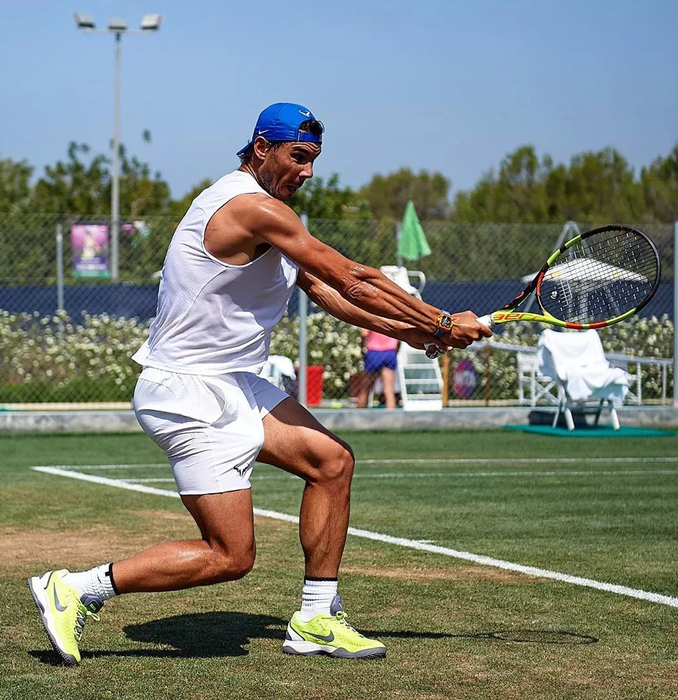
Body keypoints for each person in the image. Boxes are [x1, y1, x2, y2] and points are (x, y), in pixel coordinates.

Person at [27, 102, 491, 665]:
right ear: (262, 148)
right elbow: (355, 278)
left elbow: (330, 293)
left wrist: (413, 333)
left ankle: (317, 618)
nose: (308, 171)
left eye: (314, 159)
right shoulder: (249, 208)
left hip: (234, 383)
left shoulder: (274, 215)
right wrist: (441, 321)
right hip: (188, 393)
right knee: (230, 556)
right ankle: (77, 588)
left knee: (331, 463)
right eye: (299, 156)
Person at [356, 330, 399, 409]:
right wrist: (396, 350)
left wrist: (362, 347)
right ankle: (392, 415)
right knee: (389, 390)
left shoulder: (372, 320)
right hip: (390, 351)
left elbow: (364, 334)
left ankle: (358, 414)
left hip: (374, 351)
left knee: (365, 389)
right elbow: (399, 338)